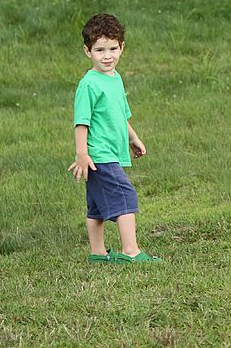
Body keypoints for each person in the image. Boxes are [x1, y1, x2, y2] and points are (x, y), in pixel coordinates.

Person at [68, 13, 162, 264]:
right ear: (87, 51)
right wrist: (82, 154)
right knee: (125, 196)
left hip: (109, 151)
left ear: (122, 47)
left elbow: (121, 115)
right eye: (99, 50)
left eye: (112, 48)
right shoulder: (89, 84)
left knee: (97, 206)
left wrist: (134, 138)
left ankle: (98, 253)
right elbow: (81, 122)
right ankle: (131, 252)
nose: (107, 56)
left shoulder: (115, 78)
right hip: (98, 154)